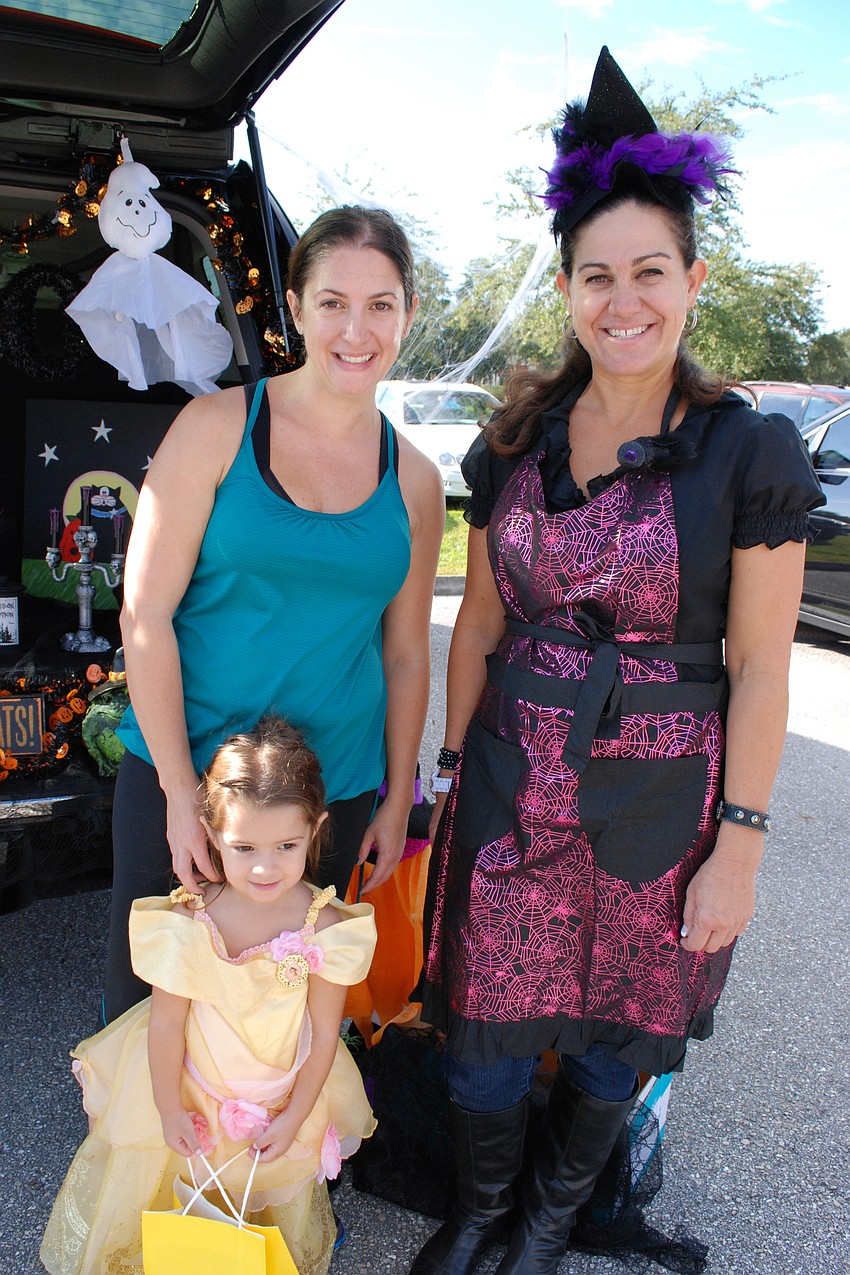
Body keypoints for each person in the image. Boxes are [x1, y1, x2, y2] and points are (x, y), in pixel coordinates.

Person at [412, 47, 825, 1275]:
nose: (625, 299)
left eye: (652, 271)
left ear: (693, 282)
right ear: (568, 287)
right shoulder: (516, 442)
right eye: (599, 275)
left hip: (662, 797)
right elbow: (479, 625)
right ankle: (484, 1208)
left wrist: (740, 841)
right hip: (505, 783)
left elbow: (759, 667)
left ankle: (546, 1221)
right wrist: (446, 774)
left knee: (612, 1034)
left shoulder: (747, 453)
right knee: (482, 1031)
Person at [105, 205, 444, 1020]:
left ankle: (279, 1156)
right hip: (186, 772)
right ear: (295, 306)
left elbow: (404, 653)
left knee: (285, 1019)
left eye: (380, 305)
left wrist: (399, 797)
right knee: (157, 1006)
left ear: (407, 314)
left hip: (333, 793)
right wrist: (181, 797)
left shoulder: (417, 480)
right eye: (332, 301)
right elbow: (144, 616)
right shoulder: (216, 428)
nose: (355, 329)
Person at [41, 716, 378, 1275]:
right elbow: (167, 1024)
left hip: (279, 1097)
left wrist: (294, 1118)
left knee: (262, 1200)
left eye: (287, 845)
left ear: (317, 830)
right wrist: (170, 1109)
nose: (265, 866)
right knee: (176, 1198)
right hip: (195, 1095)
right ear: (209, 831)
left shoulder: (328, 926)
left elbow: (324, 1033)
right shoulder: (189, 920)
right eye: (243, 846)